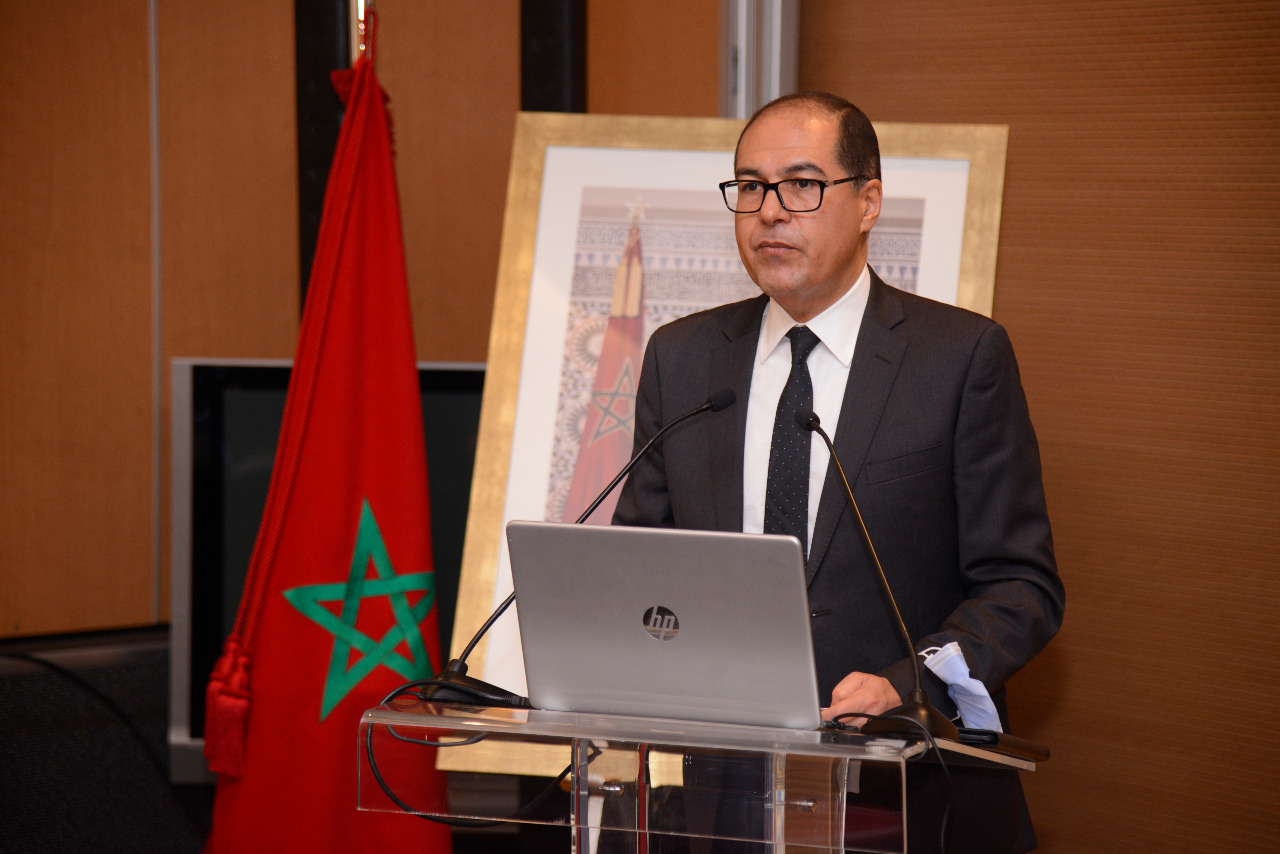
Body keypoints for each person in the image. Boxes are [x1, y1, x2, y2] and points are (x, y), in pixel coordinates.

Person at [612, 91, 1065, 852]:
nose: (769, 212)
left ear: (868, 203)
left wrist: (906, 684)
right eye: (750, 186)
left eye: (802, 184)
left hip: (912, 793)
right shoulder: (682, 358)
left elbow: (1021, 587)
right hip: (728, 795)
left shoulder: (959, 358)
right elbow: (642, 562)